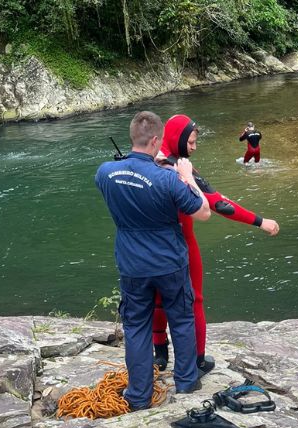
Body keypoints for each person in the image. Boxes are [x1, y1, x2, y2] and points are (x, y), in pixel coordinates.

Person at [95, 111, 211, 410]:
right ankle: (186, 382)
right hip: (170, 262)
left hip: (132, 264)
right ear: (157, 140)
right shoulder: (168, 179)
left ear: (132, 137)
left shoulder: (105, 172)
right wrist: (187, 178)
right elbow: (203, 211)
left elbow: (126, 184)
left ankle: (138, 395)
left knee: (136, 328)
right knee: (182, 320)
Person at [152, 114, 280, 374]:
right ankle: (198, 361)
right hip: (182, 244)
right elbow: (217, 204)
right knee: (194, 301)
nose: (194, 148)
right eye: (191, 142)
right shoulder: (177, 166)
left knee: (157, 300)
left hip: (150, 245)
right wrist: (260, 221)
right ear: (177, 138)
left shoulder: (149, 159)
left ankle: (160, 354)